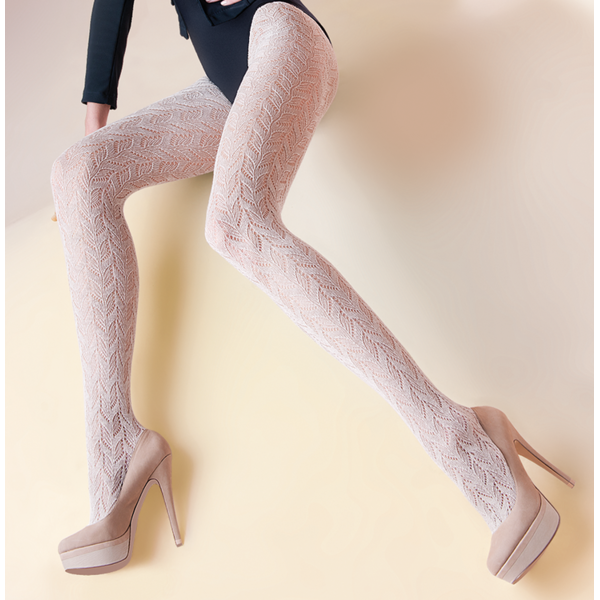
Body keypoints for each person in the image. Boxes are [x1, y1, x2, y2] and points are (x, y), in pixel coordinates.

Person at [50, 0, 574, 583]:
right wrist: (95, 129)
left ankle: (466, 443)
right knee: (77, 172)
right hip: (226, 82)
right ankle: (115, 450)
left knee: (235, 222)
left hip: (282, 36)